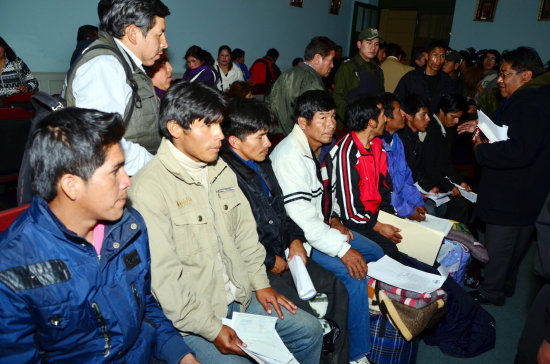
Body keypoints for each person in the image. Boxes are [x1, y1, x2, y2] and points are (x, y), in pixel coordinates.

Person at [129, 81, 323, 364]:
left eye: (220, 124)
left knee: (309, 330)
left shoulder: (219, 168)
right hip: (192, 320)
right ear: (175, 128)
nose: (220, 134)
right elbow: (166, 281)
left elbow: (245, 234)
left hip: (240, 298)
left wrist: (260, 283)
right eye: (208, 125)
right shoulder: (148, 189)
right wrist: (212, 328)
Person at [0, 107, 197, 364]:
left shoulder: (129, 226)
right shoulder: (13, 265)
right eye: (115, 171)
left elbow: (145, 305)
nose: (127, 181)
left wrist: (181, 355)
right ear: (72, 185)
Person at [219, 97, 350, 364]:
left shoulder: (263, 164)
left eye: (267, 134)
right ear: (235, 142)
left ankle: (337, 360)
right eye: (261, 136)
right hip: (257, 265)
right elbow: (231, 239)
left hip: (284, 253)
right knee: (307, 314)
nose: (269, 143)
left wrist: (295, 240)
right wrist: (270, 260)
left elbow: (283, 214)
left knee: (336, 288)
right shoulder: (225, 177)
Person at [270, 90, 384, 364]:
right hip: (303, 240)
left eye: (333, 117)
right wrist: (342, 250)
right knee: (354, 277)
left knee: (376, 251)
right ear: (303, 122)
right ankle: (358, 354)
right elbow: (302, 220)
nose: (331, 124)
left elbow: (325, 197)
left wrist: (333, 217)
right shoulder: (290, 156)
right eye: (322, 118)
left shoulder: (321, 150)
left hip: (324, 228)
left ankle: (362, 311)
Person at [469, 46, 550, 306]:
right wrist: (482, 125)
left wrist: (482, 150)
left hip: (511, 191)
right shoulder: (540, 96)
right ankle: (504, 286)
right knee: (515, 247)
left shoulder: (528, 101)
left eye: (505, 74)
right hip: (531, 190)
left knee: (500, 246)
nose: (500, 80)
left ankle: (491, 292)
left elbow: (518, 150)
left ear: (525, 75)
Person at [65, 0, 170, 172]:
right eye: (159, 34)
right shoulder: (104, 66)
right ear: (133, 33)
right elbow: (103, 144)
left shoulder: (123, 63)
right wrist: (160, 168)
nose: (164, 43)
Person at [331, 94, 402, 258]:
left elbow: (385, 188)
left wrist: (390, 219)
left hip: (374, 216)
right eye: (383, 115)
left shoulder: (378, 145)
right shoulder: (347, 153)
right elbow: (350, 211)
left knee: (414, 244)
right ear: (371, 122)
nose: (386, 120)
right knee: (390, 251)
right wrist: (379, 226)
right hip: (356, 222)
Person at [267, 36, 336, 135]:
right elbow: (317, 122)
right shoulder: (312, 81)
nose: (332, 65)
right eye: (331, 60)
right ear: (317, 58)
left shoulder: (288, 73)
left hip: (276, 137)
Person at [419, 93, 472, 222]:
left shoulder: (447, 131)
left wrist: (460, 182)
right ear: (442, 111)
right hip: (426, 182)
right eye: (453, 117)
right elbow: (429, 167)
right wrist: (449, 187)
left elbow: (447, 164)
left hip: (438, 179)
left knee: (465, 202)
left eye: (458, 118)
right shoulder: (430, 129)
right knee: (459, 206)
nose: (456, 122)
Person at [380, 93, 426, 221]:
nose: (404, 114)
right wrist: (409, 210)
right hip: (386, 210)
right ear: (386, 117)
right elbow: (386, 192)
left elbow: (406, 178)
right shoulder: (377, 146)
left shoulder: (397, 141)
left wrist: (418, 203)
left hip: (400, 205)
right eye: (399, 111)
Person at [334, 28, 384, 123]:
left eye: (376, 44)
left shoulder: (378, 70)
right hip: (351, 124)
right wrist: (349, 119)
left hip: (372, 124)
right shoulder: (347, 67)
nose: (373, 48)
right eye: (369, 43)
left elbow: (381, 98)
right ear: (359, 45)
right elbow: (338, 97)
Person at [395, 40, 457, 115]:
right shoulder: (411, 78)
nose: (438, 61)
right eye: (435, 55)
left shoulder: (446, 80)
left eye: (442, 56)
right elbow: (397, 101)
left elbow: (452, 105)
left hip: (436, 125)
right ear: (427, 56)